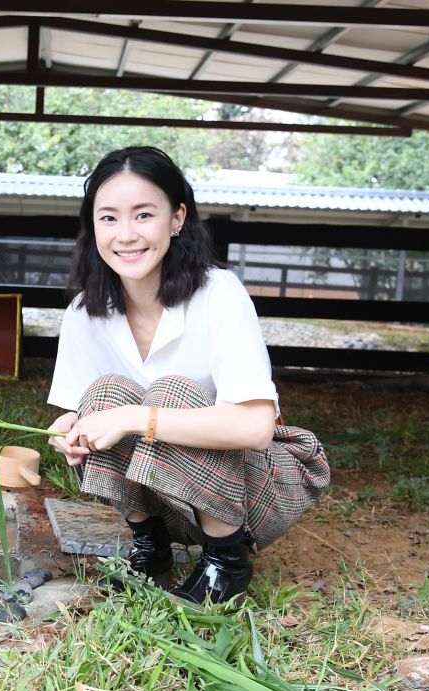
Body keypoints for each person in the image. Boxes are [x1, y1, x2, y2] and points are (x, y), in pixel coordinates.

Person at [46, 145, 288, 604]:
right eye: (109, 218)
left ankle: (226, 560)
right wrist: (71, 428)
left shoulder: (219, 294)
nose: (126, 234)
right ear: (92, 226)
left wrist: (136, 417)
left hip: (244, 494)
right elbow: (85, 411)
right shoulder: (84, 312)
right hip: (159, 497)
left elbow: (257, 428)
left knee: (169, 393)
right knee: (101, 397)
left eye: (143, 215)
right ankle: (149, 547)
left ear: (177, 219)